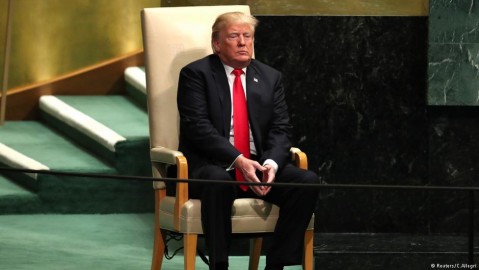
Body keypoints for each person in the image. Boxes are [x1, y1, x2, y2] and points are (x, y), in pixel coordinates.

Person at [176, 11, 319, 270]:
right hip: (215, 165)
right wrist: (238, 160)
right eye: (234, 36)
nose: (243, 42)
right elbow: (198, 128)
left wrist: (271, 165)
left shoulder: (269, 77)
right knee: (216, 181)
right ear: (217, 44)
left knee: (306, 182)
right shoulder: (195, 75)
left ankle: (276, 265)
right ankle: (219, 264)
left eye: (247, 36)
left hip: (258, 164)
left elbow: (281, 128)